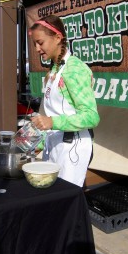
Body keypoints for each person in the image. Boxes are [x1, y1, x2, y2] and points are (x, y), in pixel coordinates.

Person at [29, 15, 100, 187]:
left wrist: (51, 121)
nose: (37, 49)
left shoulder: (74, 69)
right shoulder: (54, 69)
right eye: (35, 44)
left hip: (72, 149)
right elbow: (58, 112)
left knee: (66, 203)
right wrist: (40, 138)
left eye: (41, 42)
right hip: (56, 146)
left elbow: (91, 117)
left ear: (58, 38)